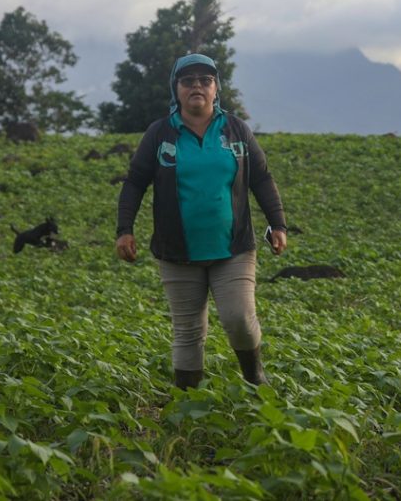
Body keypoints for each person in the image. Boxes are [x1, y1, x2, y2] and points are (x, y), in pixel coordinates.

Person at [116, 53, 287, 390]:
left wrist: (278, 224)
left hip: (233, 247)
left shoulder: (236, 130)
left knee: (239, 318)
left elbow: (261, 178)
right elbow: (134, 182)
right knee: (188, 330)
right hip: (177, 250)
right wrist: (125, 230)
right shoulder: (160, 134)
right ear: (176, 89)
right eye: (188, 80)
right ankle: (187, 400)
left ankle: (255, 378)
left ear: (216, 88)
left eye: (205, 80)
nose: (197, 86)